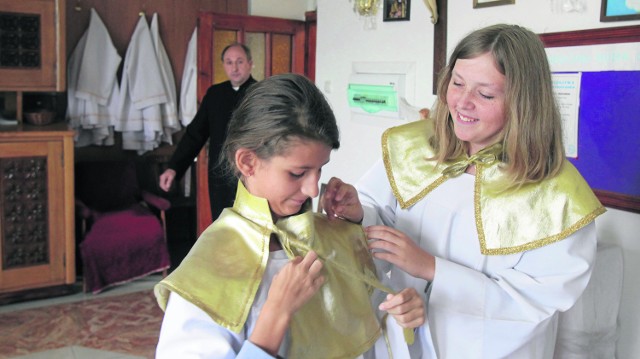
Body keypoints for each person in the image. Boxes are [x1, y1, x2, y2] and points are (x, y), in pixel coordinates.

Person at [321, 24, 606, 358]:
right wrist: (357, 212)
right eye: (457, 83)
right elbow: (380, 213)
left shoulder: (558, 198)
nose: (462, 103)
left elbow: (534, 301)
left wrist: (431, 268)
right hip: (401, 339)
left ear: (523, 104)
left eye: (485, 94)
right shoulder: (414, 149)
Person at [154, 73, 425, 358]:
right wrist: (275, 314)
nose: (312, 189)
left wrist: (404, 318)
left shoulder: (332, 235)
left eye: (320, 169)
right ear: (248, 162)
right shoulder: (206, 272)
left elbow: (371, 329)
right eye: (297, 173)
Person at [159, 42, 257, 221]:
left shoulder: (260, 94)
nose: (234, 67)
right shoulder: (215, 94)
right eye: (229, 62)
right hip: (219, 176)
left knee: (252, 230)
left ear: (250, 63)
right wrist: (174, 168)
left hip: (253, 174)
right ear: (223, 65)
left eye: (240, 62)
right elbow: (195, 135)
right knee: (222, 229)